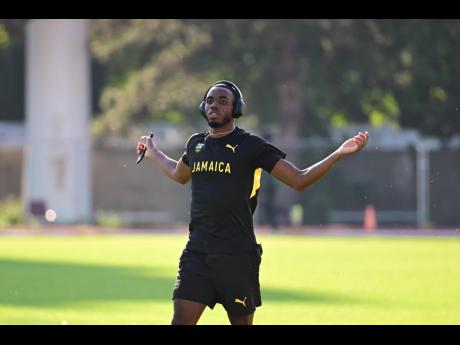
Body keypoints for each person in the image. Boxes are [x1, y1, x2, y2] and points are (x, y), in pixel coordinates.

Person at [136, 80, 369, 325]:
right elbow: (178, 173)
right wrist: (153, 152)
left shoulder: (251, 146)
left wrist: (338, 154)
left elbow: (299, 180)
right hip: (197, 253)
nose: (214, 105)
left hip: (237, 256)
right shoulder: (196, 144)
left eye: (223, 101)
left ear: (236, 109)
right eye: (210, 100)